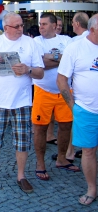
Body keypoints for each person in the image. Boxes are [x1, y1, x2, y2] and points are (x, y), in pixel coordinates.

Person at [0, 12, 44, 193]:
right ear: (6, 28)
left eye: (22, 25)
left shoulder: (31, 43)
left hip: (22, 102)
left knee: (22, 141)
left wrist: (28, 69)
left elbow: (40, 73)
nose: (21, 29)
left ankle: (21, 176)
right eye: (17, 26)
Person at [32, 12, 79, 181]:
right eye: (40, 24)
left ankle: (61, 158)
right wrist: (61, 58)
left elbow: (70, 61)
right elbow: (38, 64)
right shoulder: (36, 41)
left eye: (44, 24)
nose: (41, 27)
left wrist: (50, 58)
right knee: (40, 128)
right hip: (42, 91)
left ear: (54, 25)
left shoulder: (66, 40)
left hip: (65, 90)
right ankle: (40, 164)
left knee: (66, 126)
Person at [57, 14, 98, 206]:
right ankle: (92, 189)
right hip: (86, 110)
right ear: (92, 30)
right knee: (88, 151)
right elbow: (62, 79)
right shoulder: (75, 48)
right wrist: (74, 107)